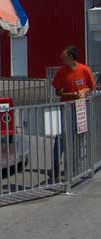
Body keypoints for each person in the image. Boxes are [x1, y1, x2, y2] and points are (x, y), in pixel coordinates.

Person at [50, 45, 95, 180]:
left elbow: (91, 87)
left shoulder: (84, 69)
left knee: (79, 136)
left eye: (64, 55)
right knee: (64, 135)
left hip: (81, 107)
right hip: (67, 106)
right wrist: (70, 94)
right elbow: (58, 91)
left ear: (70, 56)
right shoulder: (61, 72)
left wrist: (82, 91)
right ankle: (58, 167)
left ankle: (76, 167)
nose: (61, 57)